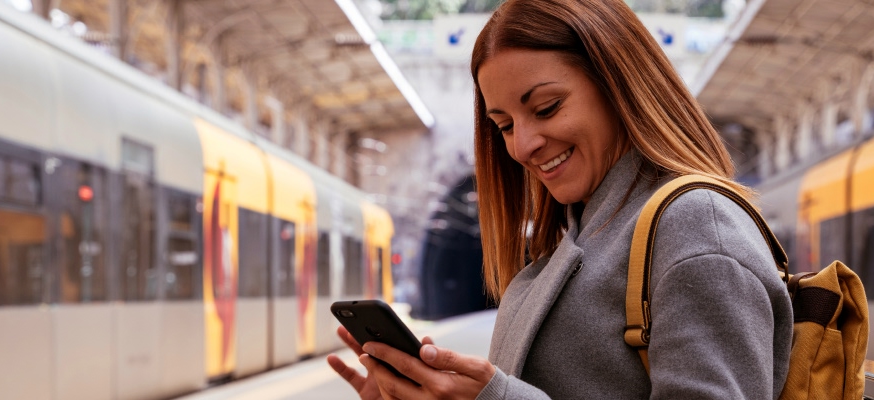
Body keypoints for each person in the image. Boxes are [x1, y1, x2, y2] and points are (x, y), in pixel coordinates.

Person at [327, 0, 794, 398]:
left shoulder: (696, 226)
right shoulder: (575, 235)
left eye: (546, 108)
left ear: (618, 85)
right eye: (504, 125)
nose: (522, 146)